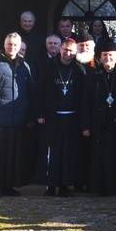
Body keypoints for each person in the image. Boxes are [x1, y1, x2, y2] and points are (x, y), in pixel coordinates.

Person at [0, 32, 35, 196]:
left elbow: (30, 93)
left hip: (18, 117)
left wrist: (30, 115)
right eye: (9, 44)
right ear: (4, 45)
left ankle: (8, 185)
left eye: (15, 45)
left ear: (20, 47)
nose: (12, 47)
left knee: (12, 155)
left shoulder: (25, 66)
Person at [82, 40, 116, 196]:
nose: (108, 58)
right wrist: (85, 125)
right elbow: (85, 102)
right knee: (100, 157)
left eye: (111, 55)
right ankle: (100, 188)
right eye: (105, 55)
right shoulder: (92, 75)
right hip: (100, 123)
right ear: (100, 56)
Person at [36, 37, 85, 197]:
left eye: (71, 51)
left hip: (71, 118)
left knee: (69, 153)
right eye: (65, 50)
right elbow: (41, 92)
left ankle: (65, 185)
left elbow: (84, 96)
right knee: (52, 152)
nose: (68, 53)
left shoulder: (78, 70)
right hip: (53, 118)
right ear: (60, 50)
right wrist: (41, 113)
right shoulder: (49, 68)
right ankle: (50, 185)